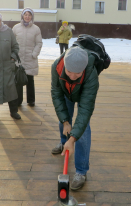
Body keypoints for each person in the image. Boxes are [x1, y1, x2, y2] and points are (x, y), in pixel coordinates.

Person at [51, 46, 99, 190]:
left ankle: (81, 171)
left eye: (77, 73)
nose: (72, 76)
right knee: (64, 117)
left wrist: (74, 139)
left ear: (83, 69)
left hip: (82, 92)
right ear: (65, 65)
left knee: (83, 130)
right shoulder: (57, 66)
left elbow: (85, 111)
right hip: (66, 92)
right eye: (69, 71)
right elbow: (56, 94)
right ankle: (63, 142)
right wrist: (66, 121)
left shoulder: (91, 75)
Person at [12, 8, 43, 106]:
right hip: (18, 58)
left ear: (32, 17)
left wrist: (34, 54)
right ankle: (18, 100)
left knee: (30, 79)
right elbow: (12, 42)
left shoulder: (36, 29)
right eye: (25, 15)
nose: (27, 17)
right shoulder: (16, 28)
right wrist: (13, 54)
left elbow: (39, 43)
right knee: (18, 79)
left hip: (30, 58)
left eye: (29, 15)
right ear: (22, 16)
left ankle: (31, 100)